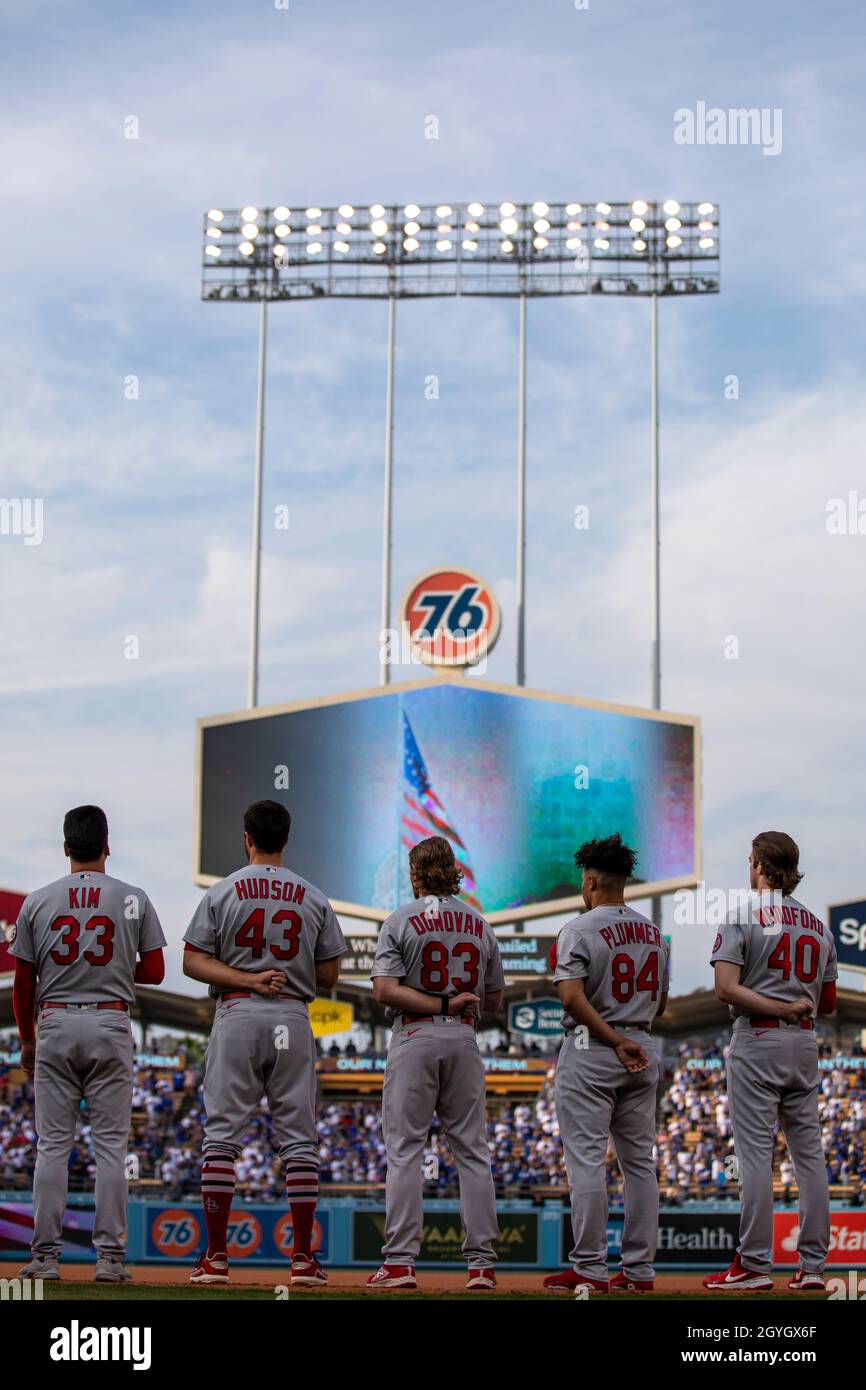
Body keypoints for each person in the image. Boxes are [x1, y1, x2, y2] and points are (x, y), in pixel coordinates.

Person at [182, 799, 345, 1288]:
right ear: (286, 839)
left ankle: (215, 1258)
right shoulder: (312, 895)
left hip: (237, 1011)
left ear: (246, 837)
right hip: (292, 1015)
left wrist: (247, 978)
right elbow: (331, 974)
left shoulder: (223, 890)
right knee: (298, 1138)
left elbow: (192, 962)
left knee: (222, 1136)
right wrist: (285, 970)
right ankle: (301, 1259)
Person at [10, 805, 166, 1282]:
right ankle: (109, 1260)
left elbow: (23, 983)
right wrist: (115, 970)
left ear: (65, 847)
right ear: (107, 846)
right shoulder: (132, 897)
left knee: (53, 1146)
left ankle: (44, 1258)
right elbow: (156, 971)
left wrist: (27, 1039)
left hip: (55, 1020)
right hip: (110, 1021)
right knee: (112, 1149)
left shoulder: (37, 900)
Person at [368, 835, 504, 1291]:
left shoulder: (399, 919)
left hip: (415, 1033)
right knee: (471, 1150)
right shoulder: (479, 923)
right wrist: (457, 1000)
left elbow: (384, 990)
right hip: (464, 1037)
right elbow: (496, 998)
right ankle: (482, 1265)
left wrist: (439, 1000)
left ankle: (401, 1262)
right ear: (453, 870)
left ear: (414, 875)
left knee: (406, 1150)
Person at [704, 832, 837, 1292]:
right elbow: (831, 1001)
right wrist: (793, 1001)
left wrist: (777, 1005)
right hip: (804, 1043)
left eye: (750, 860)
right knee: (809, 1158)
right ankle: (814, 1268)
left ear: (760, 865)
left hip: (759, 1036)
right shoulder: (818, 926)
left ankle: (756, 1265)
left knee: (756, 1156)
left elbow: (725, 988)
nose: (748, 866)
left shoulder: (742, 913)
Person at [545, 834, 668, 1295]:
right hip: (642, 1044)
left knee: (587, 1163)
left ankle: (590, 1268)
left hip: (594, 1047)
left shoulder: (578, 928)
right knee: (640, 1165)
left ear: (591, 881)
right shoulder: (653, 932)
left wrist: (615, 1040)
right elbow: (662, 999)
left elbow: (572, 999)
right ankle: (638, 1271)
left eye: (583, 879)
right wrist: (632, 1038)